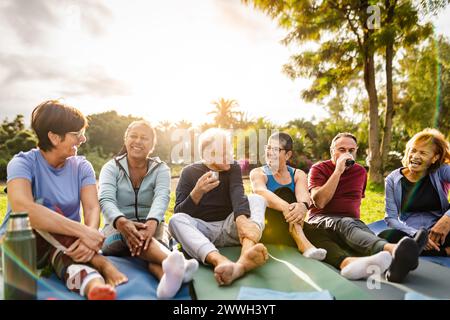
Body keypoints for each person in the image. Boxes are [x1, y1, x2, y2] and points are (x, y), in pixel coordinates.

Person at [0, 100, 125, 300]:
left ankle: (95, 288)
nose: (83, 139)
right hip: (20, 246)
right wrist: (83, 232)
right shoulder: (22, 163)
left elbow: (92, 208)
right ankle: (103, 264)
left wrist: (89, 237)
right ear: (54, 137)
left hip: (61, 247)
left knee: (72, 260)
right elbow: (23, 209)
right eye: (77, 134)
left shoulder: (82, 167)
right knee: (42, 208)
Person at [99, 120, 198, 299]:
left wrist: (152, 223)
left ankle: (166, 285)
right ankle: (176, 263)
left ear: (152, 145)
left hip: (151, 225)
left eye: (144, 138)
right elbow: (106, 199)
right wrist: (121, 222)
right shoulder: (111, 167)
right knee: (148, 245)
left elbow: (162, 197)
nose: (138, 141)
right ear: (125, 139)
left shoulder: (161, 169)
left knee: (152, 247)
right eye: (133, 136)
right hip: (116, 228)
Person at [307, 132, 425, 283]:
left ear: (356, 151)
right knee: (348, 225)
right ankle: (395, 250)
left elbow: (355, 203)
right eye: (341, 150)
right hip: (320, 221)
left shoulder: (361, 172)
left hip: (352, 224)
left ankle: (395, 269)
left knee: (368, 234)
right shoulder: (319, 169)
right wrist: (338, 171)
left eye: (351, 150)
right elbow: (320, 202)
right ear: (332, 151)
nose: (347, 154)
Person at [169, 128, 268, 286]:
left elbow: (238, 194)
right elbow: (180, 212)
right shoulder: (188, 172)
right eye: (222, 152)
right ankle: (220, 261)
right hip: (203, 232)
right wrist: (197, 192)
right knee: (175, 220)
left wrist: (241, 220)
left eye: (228, 150)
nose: (228, 155)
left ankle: (245, 257)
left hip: (231, 228)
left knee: (256, 199)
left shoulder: (233, 167)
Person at [250, 132, 326, 260]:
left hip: (289, 225)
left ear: (288, 154)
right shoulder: (258, 172)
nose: (269, 152)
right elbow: (260, 191)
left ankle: (345, 261)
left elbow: (303, 198)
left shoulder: (298, 174)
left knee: (322, 233)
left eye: (275, 149)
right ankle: (303, 243)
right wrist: (287, 208)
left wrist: (302, 206)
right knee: (284, 193)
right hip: (268, 229)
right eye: (268, 148)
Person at [381, 128, 450, 257]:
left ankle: (417, 250)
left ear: (435, 158)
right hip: (411, 232)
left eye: (423, 153)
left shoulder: (442, 171)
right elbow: (390, 218)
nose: (415, 156)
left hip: (441, 232)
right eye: (413, 150)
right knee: (384, 237)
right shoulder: (393, 179)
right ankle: (444, 251)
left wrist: (447, 219)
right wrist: (417, 235)